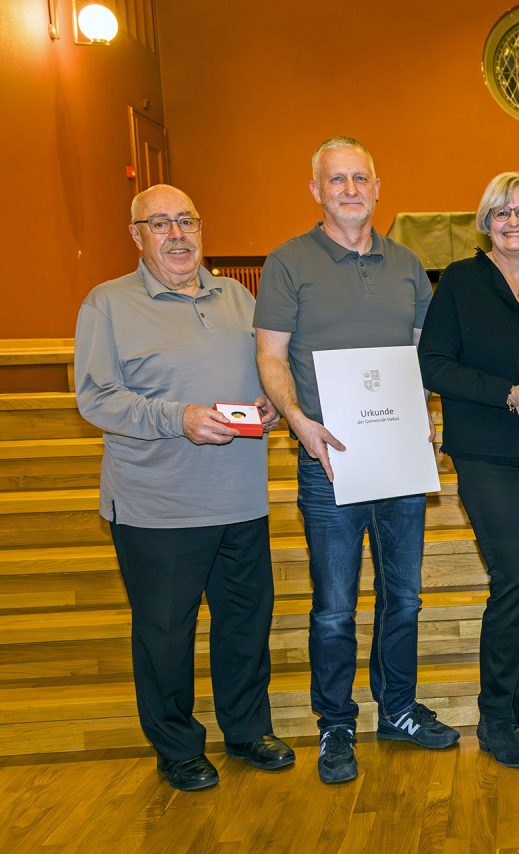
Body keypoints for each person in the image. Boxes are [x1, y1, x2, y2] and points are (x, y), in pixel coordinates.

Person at [74, 184, 293, 791]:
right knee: (166, 634)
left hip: (241, 498)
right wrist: (180, 418)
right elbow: (96, 399)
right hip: (156, 507)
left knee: (245, 624)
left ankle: (247, 730)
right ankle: (176, 746)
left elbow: (265, 372)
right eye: (160, 223)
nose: (177, 234)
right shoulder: (107, 304)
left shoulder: (238, 297)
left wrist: (269, 407)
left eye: (187, 221)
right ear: (137, 235)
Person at [254, 136, 458, 784]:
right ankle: (335, 723)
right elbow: (270, 355)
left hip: (397, 462)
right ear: (316, 190)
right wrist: (297, 421)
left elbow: (426, 353)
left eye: (359, 178)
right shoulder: (288, 263)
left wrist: (423, 411)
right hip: (327, 462)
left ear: (377, 185)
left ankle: (397, 709)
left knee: (404, 598)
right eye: (336, 180)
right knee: (334, 606)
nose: (349, 189)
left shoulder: (406, 263)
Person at [418, 172, 519, 768]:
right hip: (485, 450)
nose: (514, 220)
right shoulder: (460, 282)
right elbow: (433, 365)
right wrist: (509, 395)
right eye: (502, 212)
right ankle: (492, 718)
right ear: (486, 222)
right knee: (512, 577)